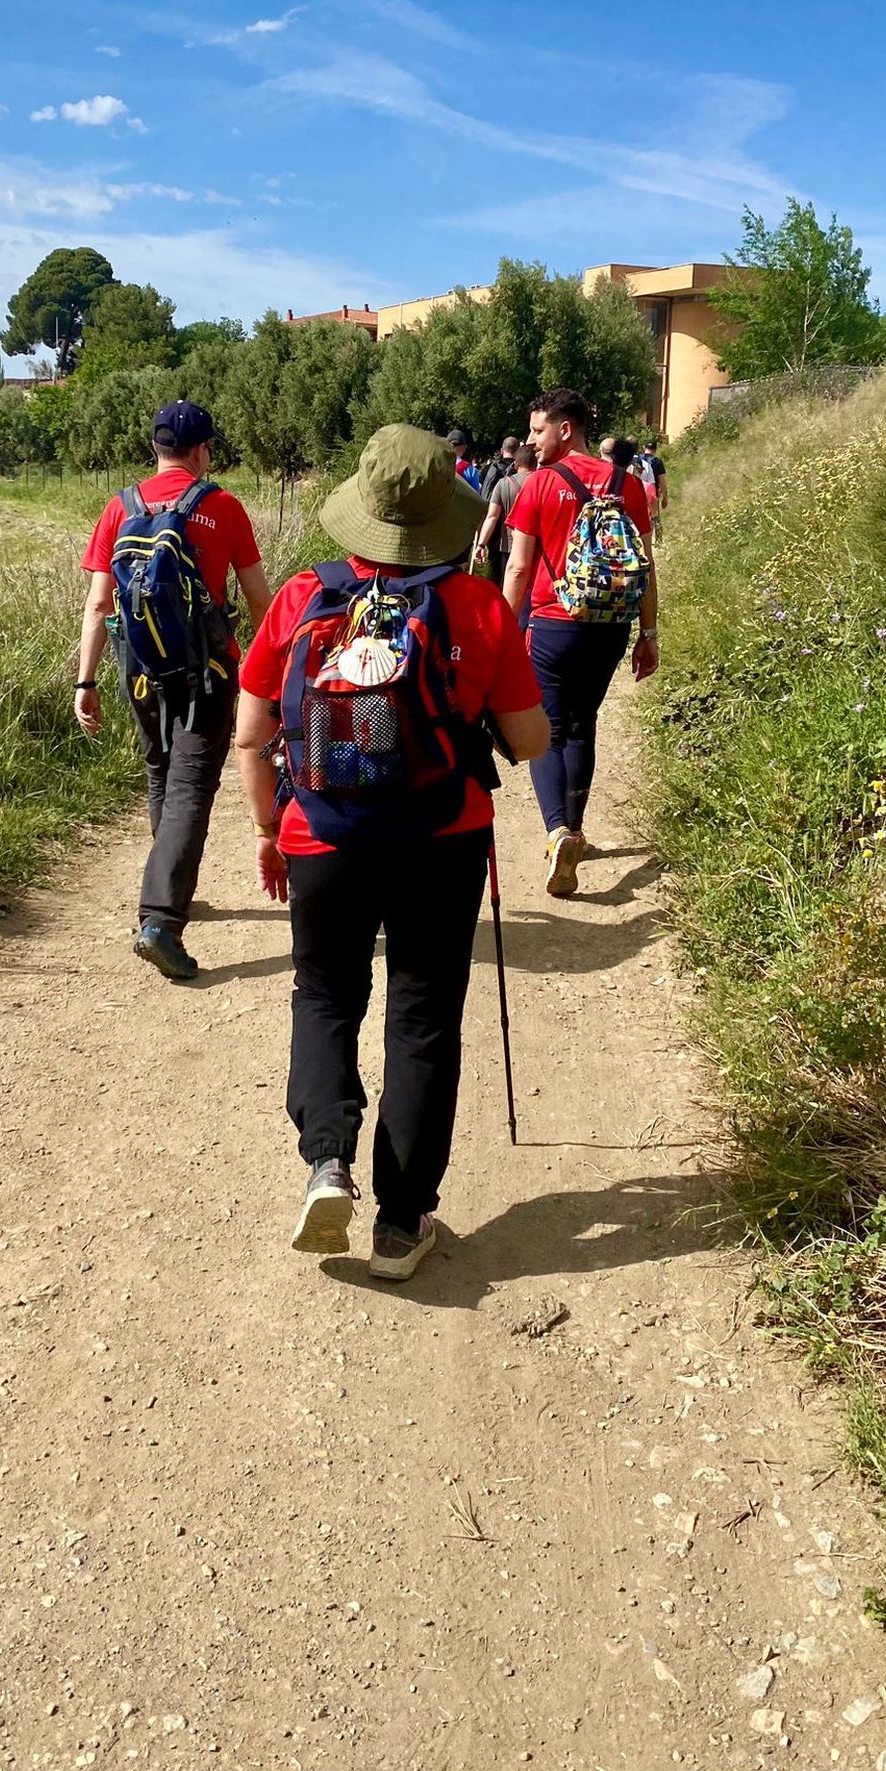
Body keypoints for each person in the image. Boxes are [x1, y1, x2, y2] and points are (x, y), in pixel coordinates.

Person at [234, 425, 550, 1281]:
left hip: (322, 836)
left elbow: (253, 734)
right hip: (442, 841)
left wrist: (269, 830)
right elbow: (528, 742)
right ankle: (402, 1222)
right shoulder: (478, 607)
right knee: (422, 1016)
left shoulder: (303, 595)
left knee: (326, 994)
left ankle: (326, 1159)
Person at [76, 400, 272, 981]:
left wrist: (83, 681)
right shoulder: (222, 507)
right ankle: (160, 917)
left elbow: (97, 604)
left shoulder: (121, 506)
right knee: (190, 784)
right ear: (201, 450)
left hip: (134, 663)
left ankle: (169, 879)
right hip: (204, 668)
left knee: (161, 768)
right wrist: (277, 665)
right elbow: (259, 599)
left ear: (157, 449)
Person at [503, 388, 659, 898]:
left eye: (537, 430)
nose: (532, 440)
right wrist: (648, 633)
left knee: (547, 728)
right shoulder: (627, 484)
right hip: (610, 625)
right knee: (581, 724)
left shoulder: (539, 484)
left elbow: (520, 566)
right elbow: (646, 566)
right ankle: (578, 827)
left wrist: (503, 632)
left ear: (564, 429)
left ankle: (556, 833)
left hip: (553, 624)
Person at [473, 442, 536, 589]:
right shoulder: (542, 481)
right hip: (535, 548)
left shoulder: (504, 484)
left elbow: (492, 516)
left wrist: (481, 544)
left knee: (506, 588)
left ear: (516, 463)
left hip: (508, 547)